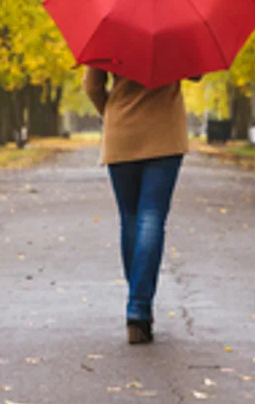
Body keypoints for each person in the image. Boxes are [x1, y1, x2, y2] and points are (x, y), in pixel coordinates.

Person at [84, 66, 191, 345]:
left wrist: (112, 112)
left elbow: (92, 85)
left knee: (130, 218)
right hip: (165, 134)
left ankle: (137, 306)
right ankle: (139, 309)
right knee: (152, 217)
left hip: (122, 131)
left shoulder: (109, 28)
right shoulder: (176, 28)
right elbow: (195, 73)